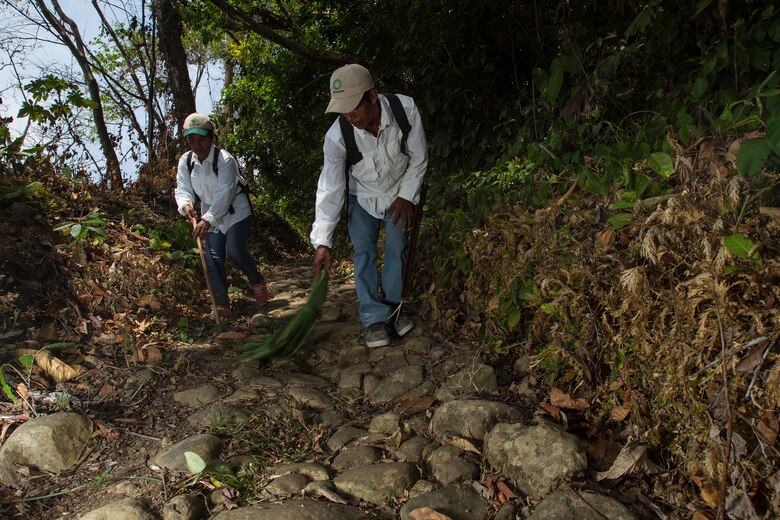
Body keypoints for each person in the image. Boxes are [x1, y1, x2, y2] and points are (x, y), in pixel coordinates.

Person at [310, 64, 428, 348]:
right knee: (363, 251)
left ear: (373, 96)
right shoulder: (336, 137)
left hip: (400, 192)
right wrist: (322, 241)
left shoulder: (404, 110)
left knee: (397, 245)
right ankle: (374, 318)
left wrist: (407, 196)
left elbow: (419, 157)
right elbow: (330, 187)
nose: (350, 116)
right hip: (360, 197)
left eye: (355, 107)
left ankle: (394, 310)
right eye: (344, 110)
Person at [174, 112, 268, 318]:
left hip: (235, 211)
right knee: (213, 257)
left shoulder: (225, 160)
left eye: (202, 140)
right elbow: (183, 188)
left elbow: (224, 193)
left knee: (234, 250)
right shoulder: (186, 161)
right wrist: (186, 204)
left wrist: (207, 220)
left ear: (211, 138)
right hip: (210, 213)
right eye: (192, 140)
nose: (197, 145)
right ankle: (222, 304)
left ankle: (256, 281)